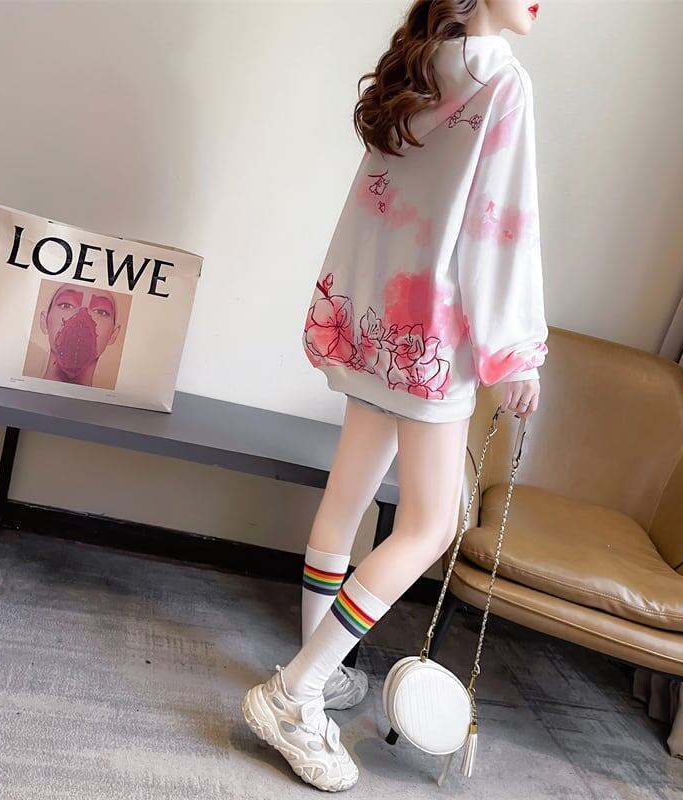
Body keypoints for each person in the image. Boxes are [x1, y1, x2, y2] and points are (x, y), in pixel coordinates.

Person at [242, 0, 547, 791]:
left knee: (347, 499)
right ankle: (296, 693)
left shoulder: (421, 60)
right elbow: (501, 229)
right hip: (430, 338)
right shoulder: (501, 80)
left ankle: (317, 671)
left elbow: (375, 205)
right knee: (430, 525)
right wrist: (514, 352)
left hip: (372, 317)